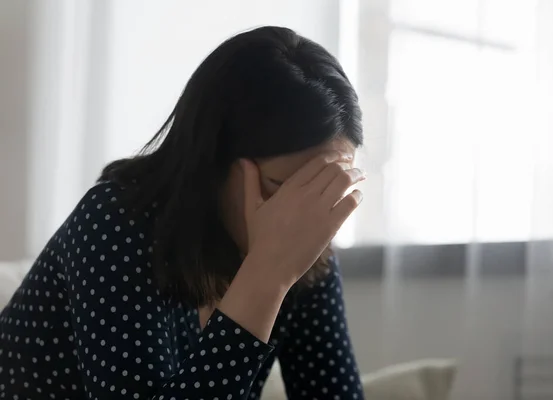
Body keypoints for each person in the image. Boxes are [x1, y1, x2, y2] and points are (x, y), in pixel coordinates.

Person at [0, 26, 365, 399]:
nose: (303, 213)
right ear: (214, 161)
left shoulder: (309, 242)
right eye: (279, 186)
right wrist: (266, 275)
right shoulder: (114, 224)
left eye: (327, 189)